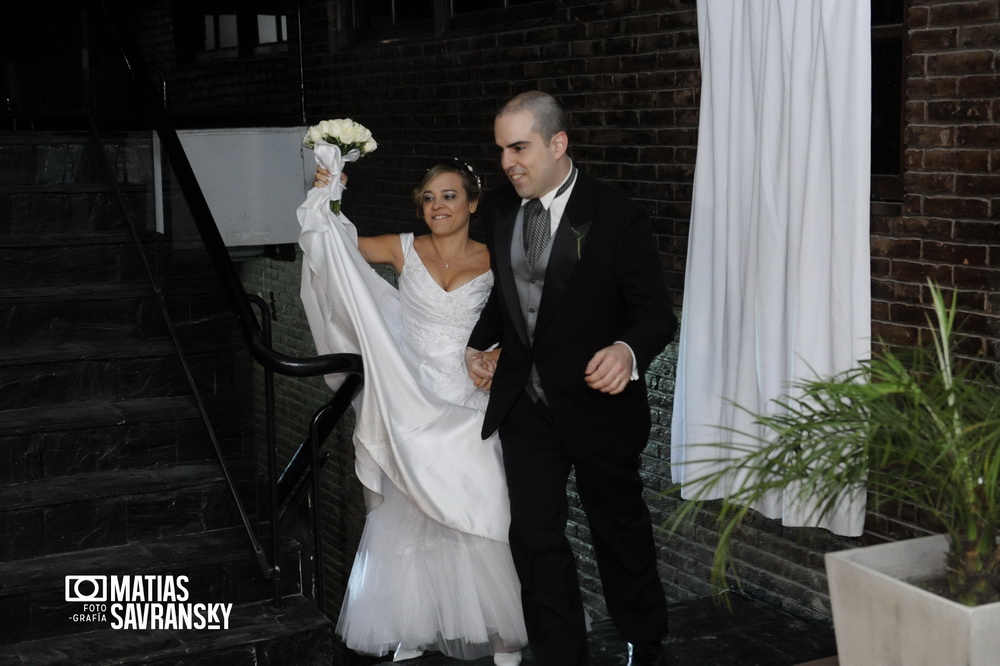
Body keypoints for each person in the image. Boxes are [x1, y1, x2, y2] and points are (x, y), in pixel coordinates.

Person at [465, 91, 677, 666]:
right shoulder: (502, 212)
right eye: (501, 150)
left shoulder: (617, 216)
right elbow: (510, 297)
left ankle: (644, 638)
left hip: (598, 404)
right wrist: (476, 343)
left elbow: (656, 313)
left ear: (558, 144)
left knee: (618, 529)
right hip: (526, 406)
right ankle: (560, 654)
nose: (508, 162)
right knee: (535, 538)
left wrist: (627, 350)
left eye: (519, 147)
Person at [301, 158, 526, 664]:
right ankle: (412, 625)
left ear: (471, 202)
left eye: (448, 195)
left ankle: (501, 632)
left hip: (470, 402)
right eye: (428, 197)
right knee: (410, 514)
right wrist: (329, 195)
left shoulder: (496, 260)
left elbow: (523, 324)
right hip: (410, 397)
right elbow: (333, 252)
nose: (437, 206)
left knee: (479, 506)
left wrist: (498, 356)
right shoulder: (402, 248)